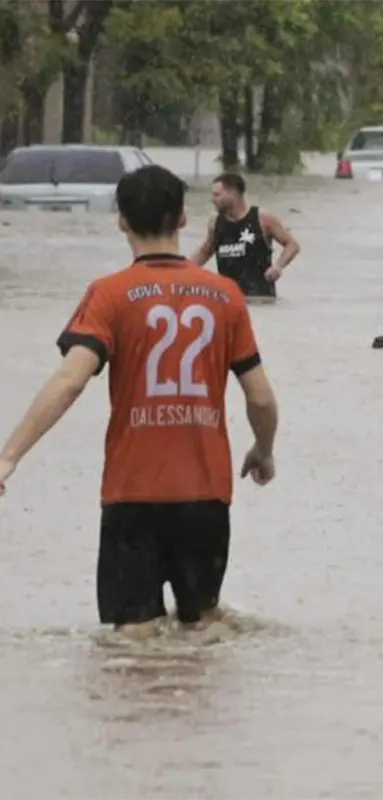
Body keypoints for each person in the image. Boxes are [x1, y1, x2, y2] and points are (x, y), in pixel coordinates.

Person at [0, 164, 280, 635]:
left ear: (121, 221)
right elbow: (262, 397)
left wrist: (8, 456)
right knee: (205, 631)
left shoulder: (108, 295)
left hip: (132, 495)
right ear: (184, 219)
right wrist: (263, 449)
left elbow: (70, 382)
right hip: (206, 496)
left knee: (132, 641)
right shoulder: (225, 297)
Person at [191, 172, 300, 301]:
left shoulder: (262, 218)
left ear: (233, 194)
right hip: (228, 300)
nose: (212, 199)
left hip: (260, 299)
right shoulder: (215, 221)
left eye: (217, 195)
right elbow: (206, 251)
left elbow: (292, 245)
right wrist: (182, 272)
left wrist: (278, 266)